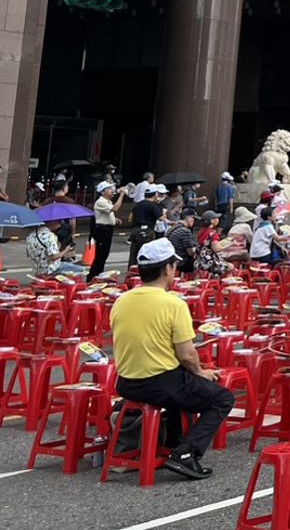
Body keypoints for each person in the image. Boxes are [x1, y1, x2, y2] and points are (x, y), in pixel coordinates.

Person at [109, 238, 234, 480]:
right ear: (167, 269)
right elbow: (186, 355)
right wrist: (201, 372)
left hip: (126, 382)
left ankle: (176, 441)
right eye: (173, 267)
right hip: (160, 382)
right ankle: (186, 454)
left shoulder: (121, 301)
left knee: (184, 388)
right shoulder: (173, 304)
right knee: (222, 399)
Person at [87, 180, 122, 281]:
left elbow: (107, 214)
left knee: (103, 255)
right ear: (102, 192)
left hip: (107, 229)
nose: (112, 191)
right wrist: (122, 195)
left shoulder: (107, 202)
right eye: (109, 189)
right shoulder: (100, 201)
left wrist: (115, 220)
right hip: (102, 230)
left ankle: (98, 276)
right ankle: (92, 277)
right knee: (100, 256)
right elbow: (115, 208)